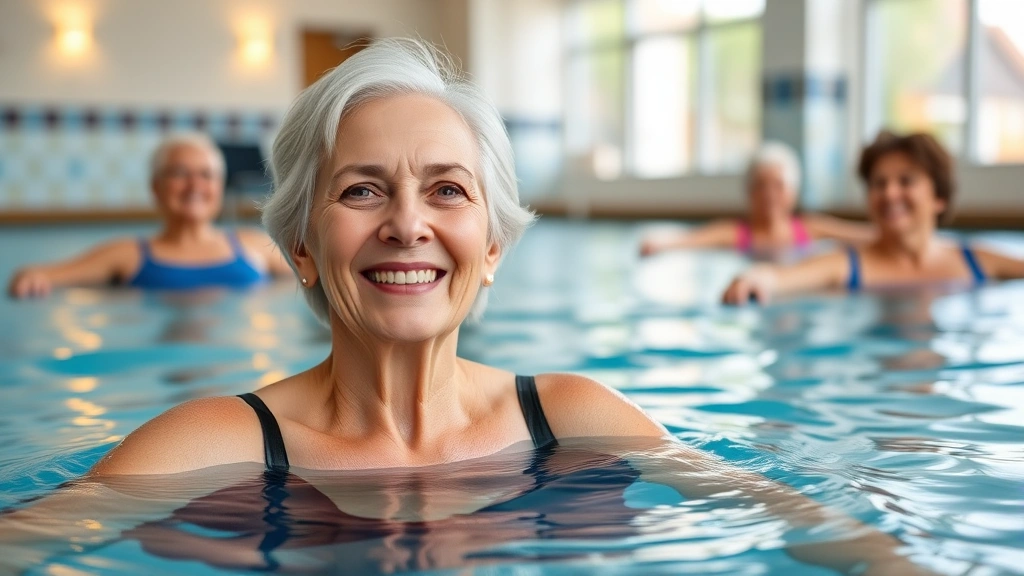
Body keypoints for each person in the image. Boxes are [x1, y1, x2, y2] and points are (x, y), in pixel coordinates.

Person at [0, 40, 929, 575]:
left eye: (447, 190)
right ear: (300, 250)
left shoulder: (569, 418)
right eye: (362, 191)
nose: (408, 225)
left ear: (491, 251)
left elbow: (807, 528)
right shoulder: (219, 443)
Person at [722, 131, 1024, 304]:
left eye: (906, 181)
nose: (890, 193)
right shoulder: (845, 264)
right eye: (879, 183)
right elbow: (778, 277)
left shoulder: (976, 261)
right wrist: (752, 278)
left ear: (939, 197)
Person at [6, 133, 292, 297]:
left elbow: (316, 280)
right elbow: (38, 274)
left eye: (207, 175)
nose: (195, 186)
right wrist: (31, 279)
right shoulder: (128, 254)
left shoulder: (254, 245)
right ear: (156, 186)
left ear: (220, 186)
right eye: (181, 173)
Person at [640, 142, 874, 256]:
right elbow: (690, 240)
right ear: (748, 192)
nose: (769, 195)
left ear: (793, 192)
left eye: (778, 186)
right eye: (760, 186)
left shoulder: (811, 228)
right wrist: (661, 243)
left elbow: (862, 235)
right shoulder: (736, 233)